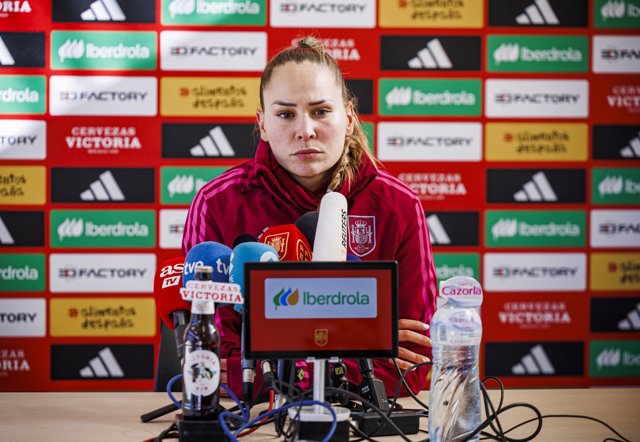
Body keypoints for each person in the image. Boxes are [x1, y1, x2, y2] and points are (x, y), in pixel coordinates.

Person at [182, 36, 437, 398]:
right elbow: (215, 360)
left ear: (348, 118)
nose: (305, 130)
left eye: (320, 111)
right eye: (285, 114)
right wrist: (361, 346)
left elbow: (414, 362)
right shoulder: (216, 202)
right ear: (263, 124)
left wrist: (278, 369)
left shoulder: (399, 205)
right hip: (253, 424)